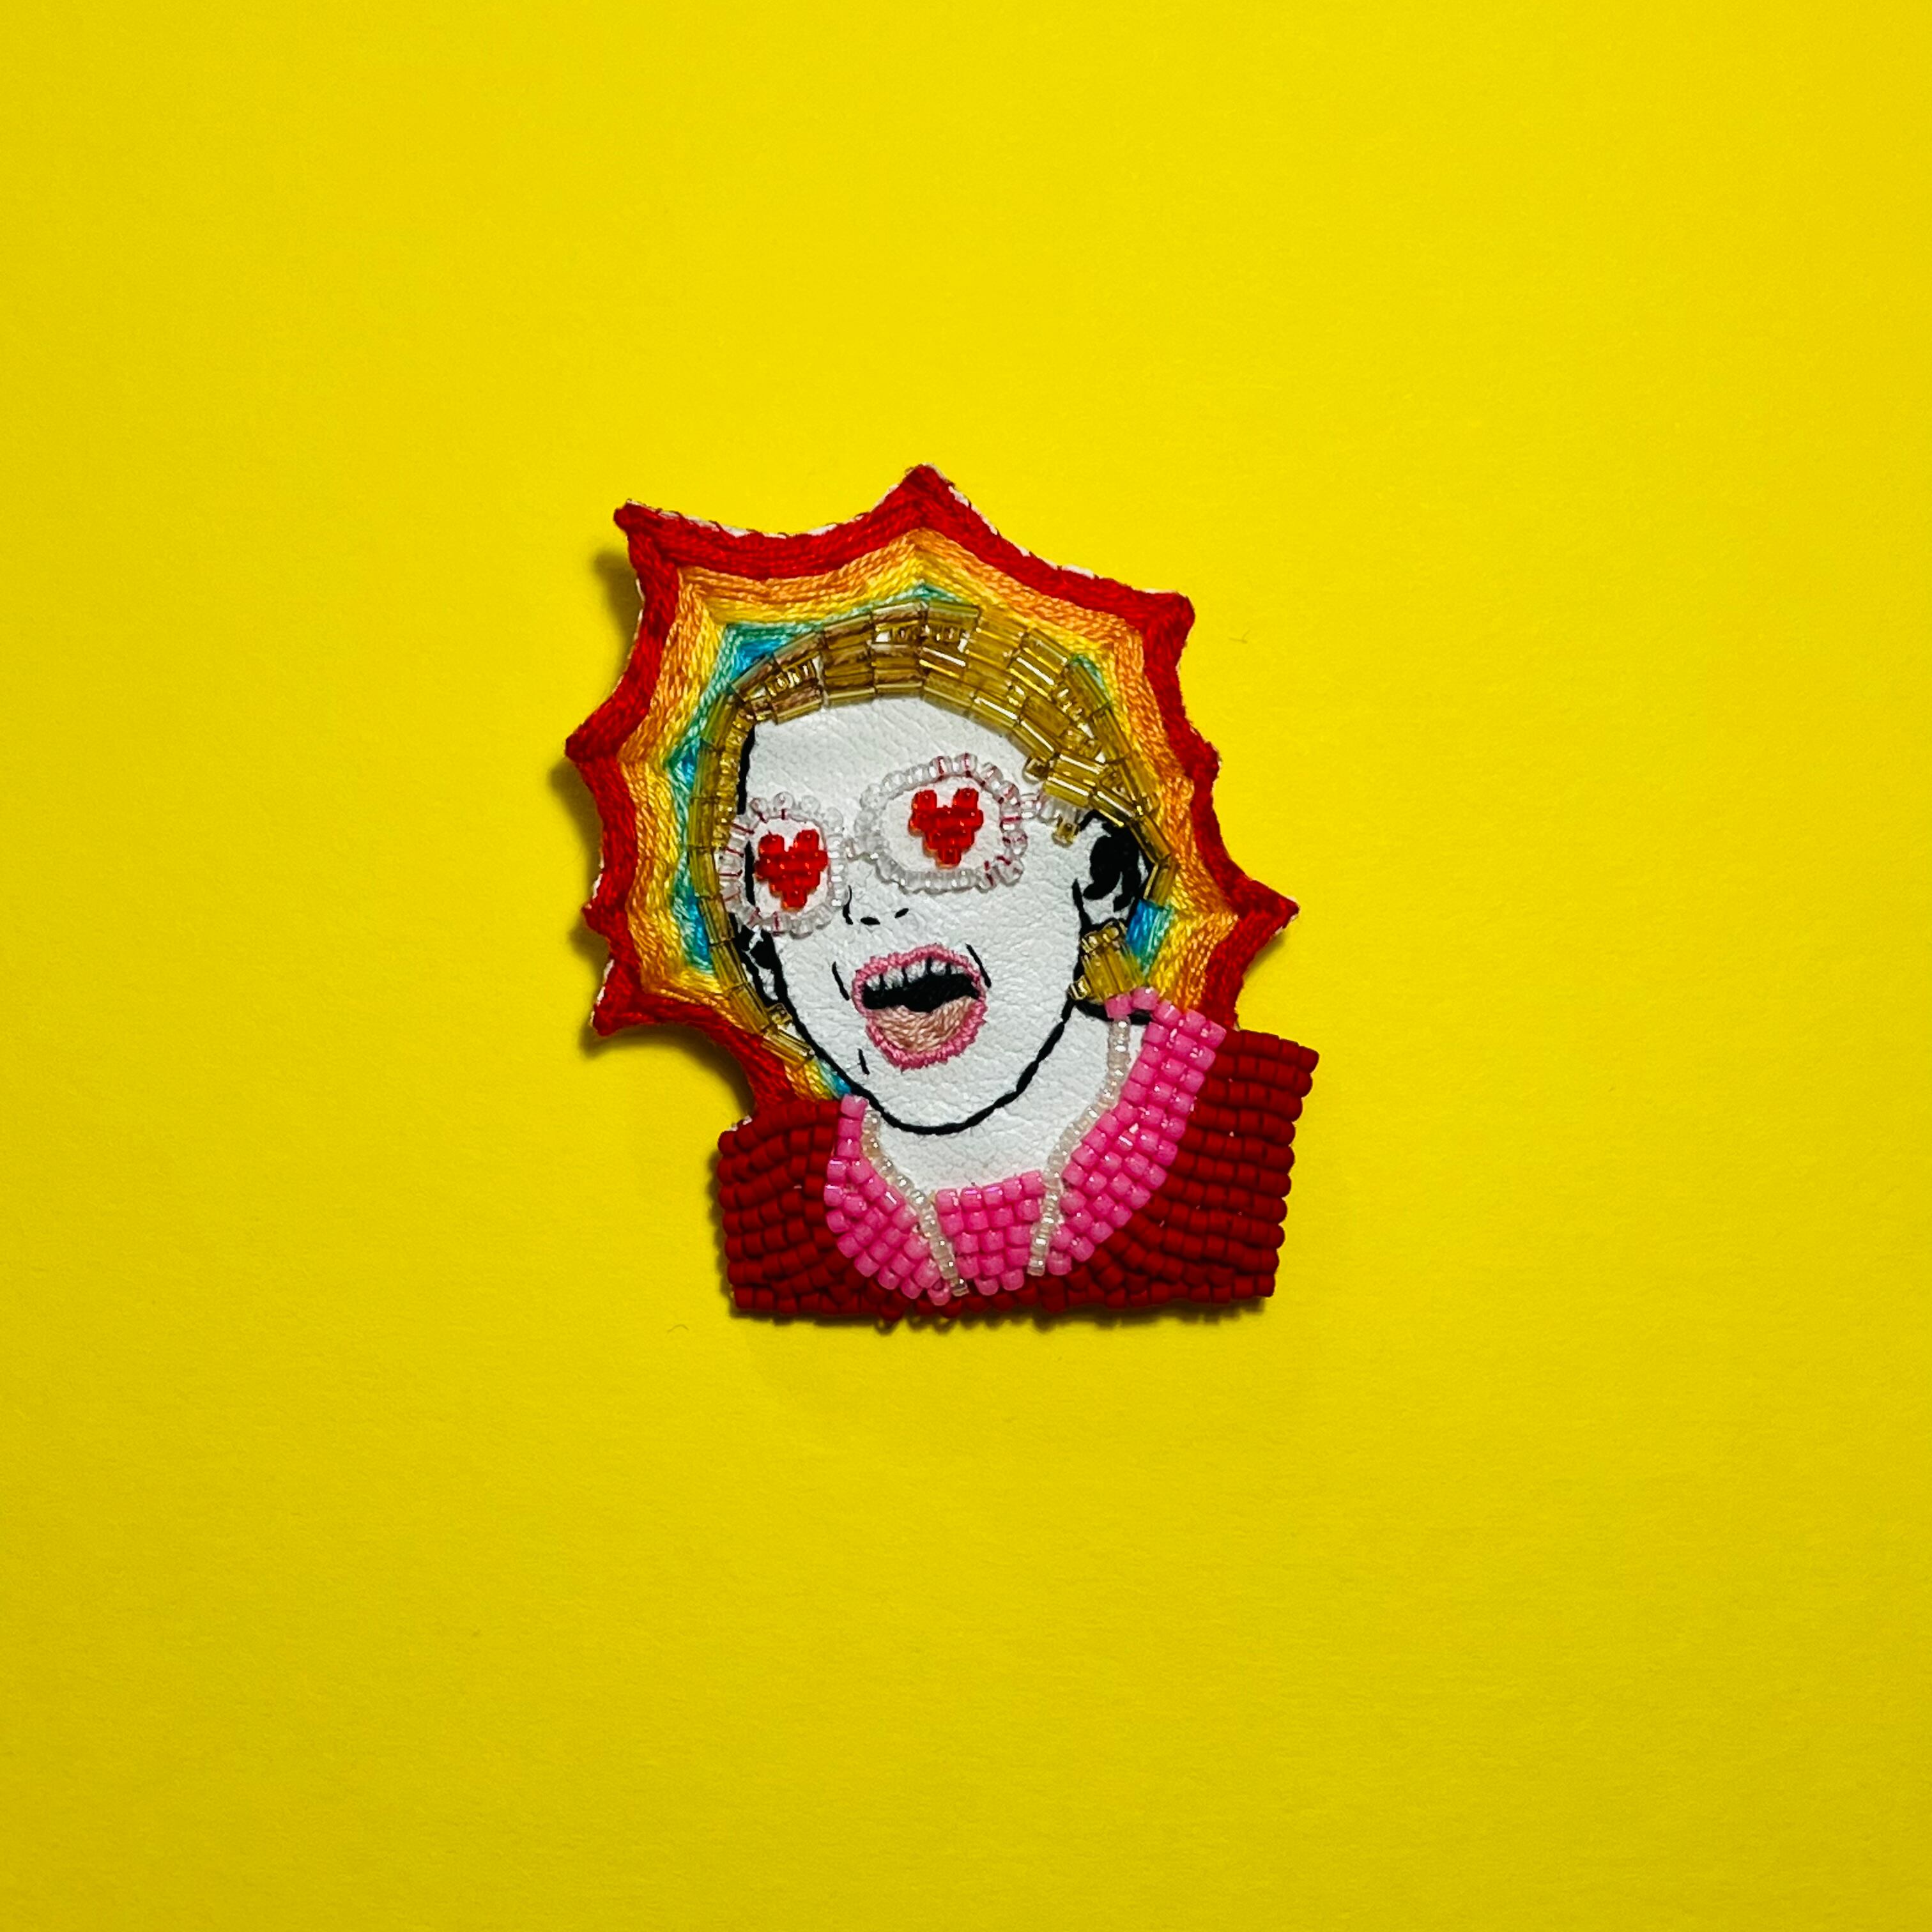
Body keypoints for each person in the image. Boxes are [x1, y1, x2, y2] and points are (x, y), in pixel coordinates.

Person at [568, 467, 1316, 1319]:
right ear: (765, 961)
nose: (869, 906)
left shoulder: (1230, 1125)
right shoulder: (787, 1207)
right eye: (792, 869)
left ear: (1103, 871)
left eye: (944, 828)